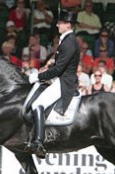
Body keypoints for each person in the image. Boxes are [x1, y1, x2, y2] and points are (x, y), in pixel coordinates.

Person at [26, 10, 79, 157]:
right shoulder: (66, 40)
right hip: (60, 78)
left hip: (64, 82)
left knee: (37, 104)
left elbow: (59, 69)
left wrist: (37, 77)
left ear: (68, 25)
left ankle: (39, 142)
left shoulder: (69, 42)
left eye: (60, 23)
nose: (57, 25)